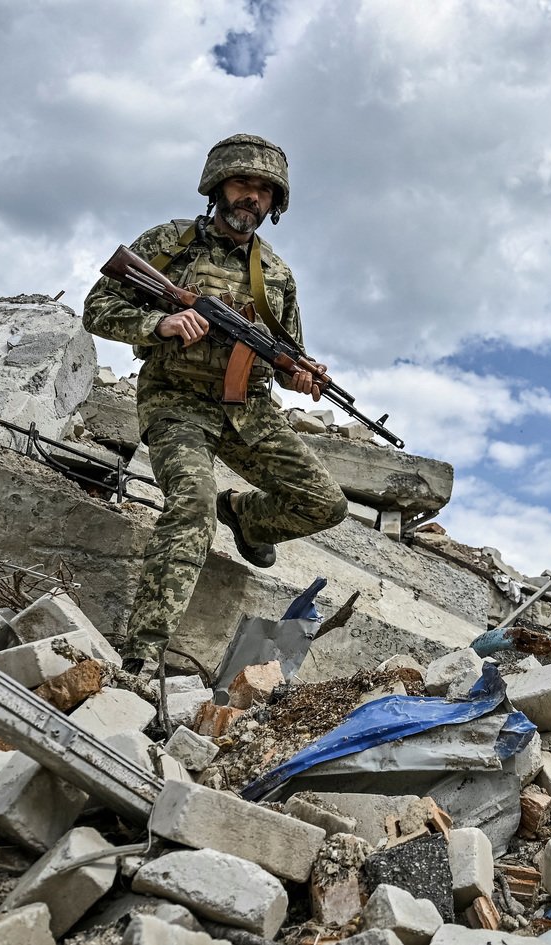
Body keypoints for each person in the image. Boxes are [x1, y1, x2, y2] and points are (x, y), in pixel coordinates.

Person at [83, 133, 347, 679]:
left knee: (326, 504)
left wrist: (299, 377)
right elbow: (98, 308)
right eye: (242, 183)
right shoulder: (171, 243)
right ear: (217, 186)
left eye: (264, 191)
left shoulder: (276, 274)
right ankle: (143, 653)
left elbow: (284, 354)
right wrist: (158, 323)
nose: (252, 197)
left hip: (246, 410)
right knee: (192, 509)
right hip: (176, 402)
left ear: (275, 203)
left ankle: (247, 519)